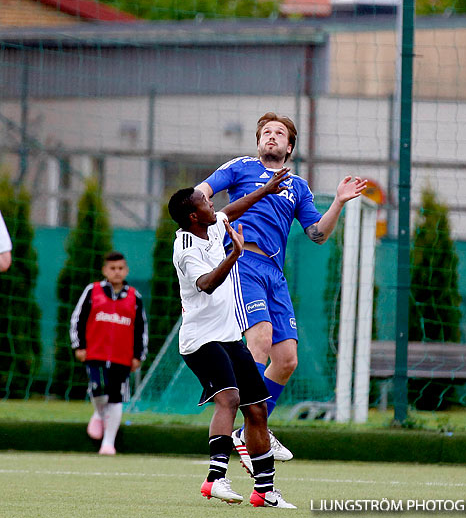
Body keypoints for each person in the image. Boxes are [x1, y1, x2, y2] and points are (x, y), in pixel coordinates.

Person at [196, 111, 367, 468]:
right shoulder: (240, 167)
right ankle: (249, 428)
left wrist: (337, 201)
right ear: (259, 142)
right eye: (266, 133)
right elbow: (200, 195)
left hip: (274, 274)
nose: (271, 137)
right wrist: (209, 231)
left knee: (287, 360)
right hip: (241, 263)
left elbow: (317, 234)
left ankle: (250, 430)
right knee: (259, 339)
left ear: (289, 146)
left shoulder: (299, 186)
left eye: (279, 133)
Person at [168, 169, 296, 508]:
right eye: (207, 202)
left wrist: (267, 189)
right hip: (200, 341)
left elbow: (236, 206)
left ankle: (265, 491)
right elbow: (207, 284)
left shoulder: (211, 226)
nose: (214, 204)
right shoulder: (185, 248)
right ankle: (215, 479)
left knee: (257, 409)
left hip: (227, 337)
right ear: (194, 215)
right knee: (229, 400)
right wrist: (235, 255)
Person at [70, 250, 148, 455]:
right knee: (97, 389)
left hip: (122, 357)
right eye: (112, 268)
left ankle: (108, 443)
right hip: (94, 354)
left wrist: (138, 355)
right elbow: (77, 319)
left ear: (126, 270)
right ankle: (98, 413)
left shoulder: (135, 297)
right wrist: (79, 346)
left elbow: (141, 328)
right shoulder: (92, 291)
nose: (116, 272)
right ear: (105, 270)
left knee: (116, 396)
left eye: (120, 268)